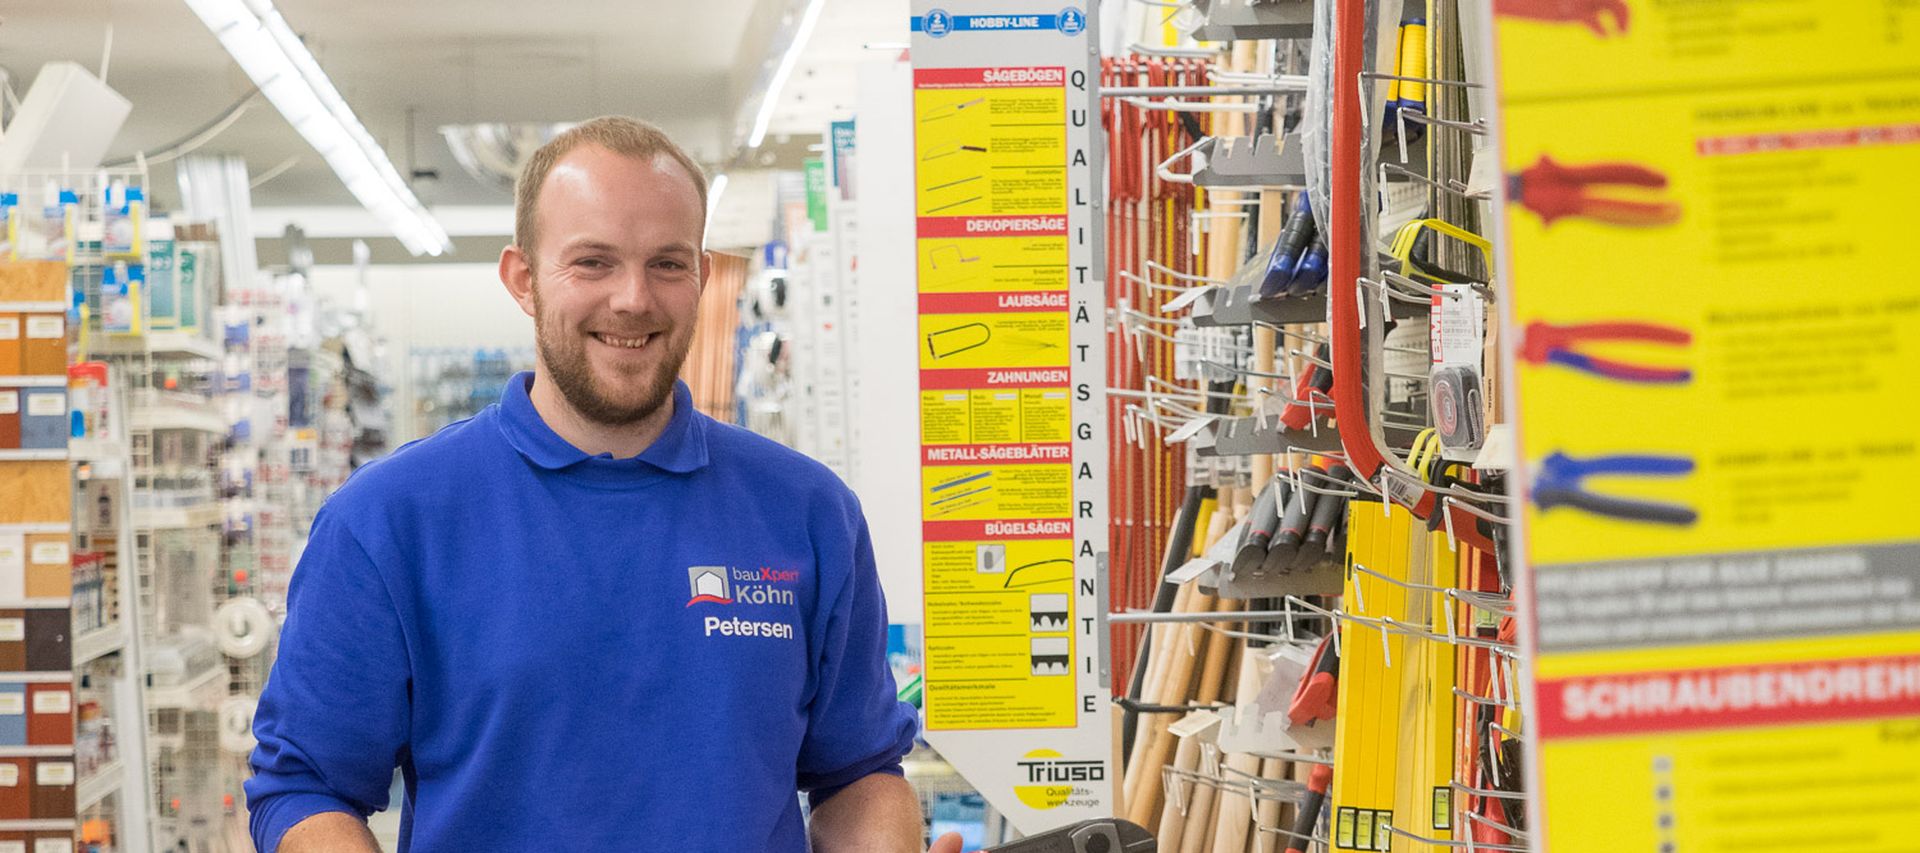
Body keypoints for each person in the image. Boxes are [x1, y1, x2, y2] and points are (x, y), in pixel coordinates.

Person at [245, 116, 965, 853]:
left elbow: (860, 771)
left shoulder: (810, 514)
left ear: (702, 278)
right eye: (592, 262)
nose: (632, 299)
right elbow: (304, 785)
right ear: (522, 279)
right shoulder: (389, 522)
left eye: (667, 263)